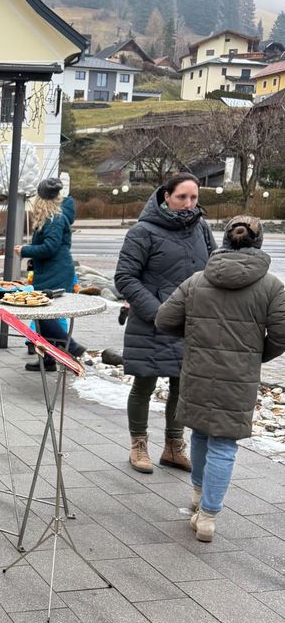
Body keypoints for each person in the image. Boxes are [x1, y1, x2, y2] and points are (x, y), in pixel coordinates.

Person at [155, 216, 285, 541]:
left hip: (198, 370)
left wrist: (196, 338)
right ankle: (208, 518)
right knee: (224, 445)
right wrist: (254, 355)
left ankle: (198, 498)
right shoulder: (272, 286)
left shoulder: (197, 280)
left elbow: (164, 320)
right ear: (259, 242)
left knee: (199, 434)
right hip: (239, 377)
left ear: (224, 241)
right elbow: (282, 336)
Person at [114, 173, 215, 473]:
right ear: (166, 196)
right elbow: (125, 278)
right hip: (152, 321)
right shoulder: (142, 231)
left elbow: (213, 269)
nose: (188, 204)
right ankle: (138, 445)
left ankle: (173, 445)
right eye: (182, 197)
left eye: (194, 198)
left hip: (190, 323)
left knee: (182, 386)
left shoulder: (202, 229)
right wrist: (158, 312)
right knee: (144, 382)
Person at [13, 178, 85, 371]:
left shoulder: (55, 218)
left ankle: (69, 346)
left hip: (56, 272)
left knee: (43, 314)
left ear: (42, 199)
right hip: (50, 270)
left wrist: (26, 250)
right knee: (42, 316)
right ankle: (48, 359)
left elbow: (50, 247)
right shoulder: (54, 217)